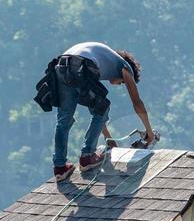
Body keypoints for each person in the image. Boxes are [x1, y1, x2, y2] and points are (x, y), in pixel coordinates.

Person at [40, 41, 157, 182]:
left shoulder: (102, 60)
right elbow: (137, 103)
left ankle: (60, 167)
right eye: (122, 83)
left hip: (61, 66)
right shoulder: (124, 66)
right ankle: (87, 156)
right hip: (81, 65)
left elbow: (94, 108)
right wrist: (149, 132)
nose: (119, 84)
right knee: (103, 107)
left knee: (64, 120)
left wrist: (110, 140)